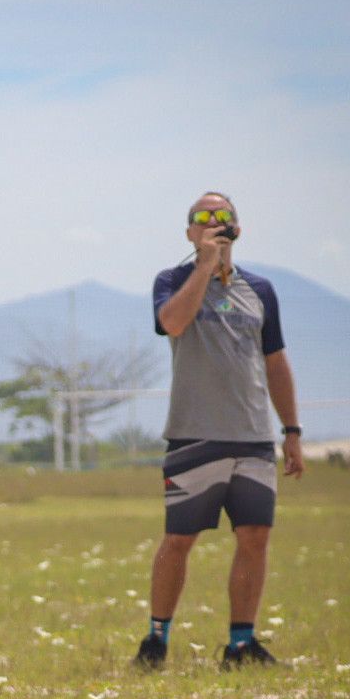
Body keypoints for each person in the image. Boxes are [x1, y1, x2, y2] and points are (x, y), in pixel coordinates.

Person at [134, 191, 304, 670]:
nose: (213, 221)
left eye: (222, 215)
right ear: (189, 232)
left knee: (254, 536)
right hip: (194, 436)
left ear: (238, 228)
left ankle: (241, 644)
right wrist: (205, 266)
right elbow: (172, 323)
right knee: (179, 538)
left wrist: (291, 430)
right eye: (202, 217)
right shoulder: (172, 281)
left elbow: (275, 361)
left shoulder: (260, 291)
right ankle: (156, 640)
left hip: (253, 437)